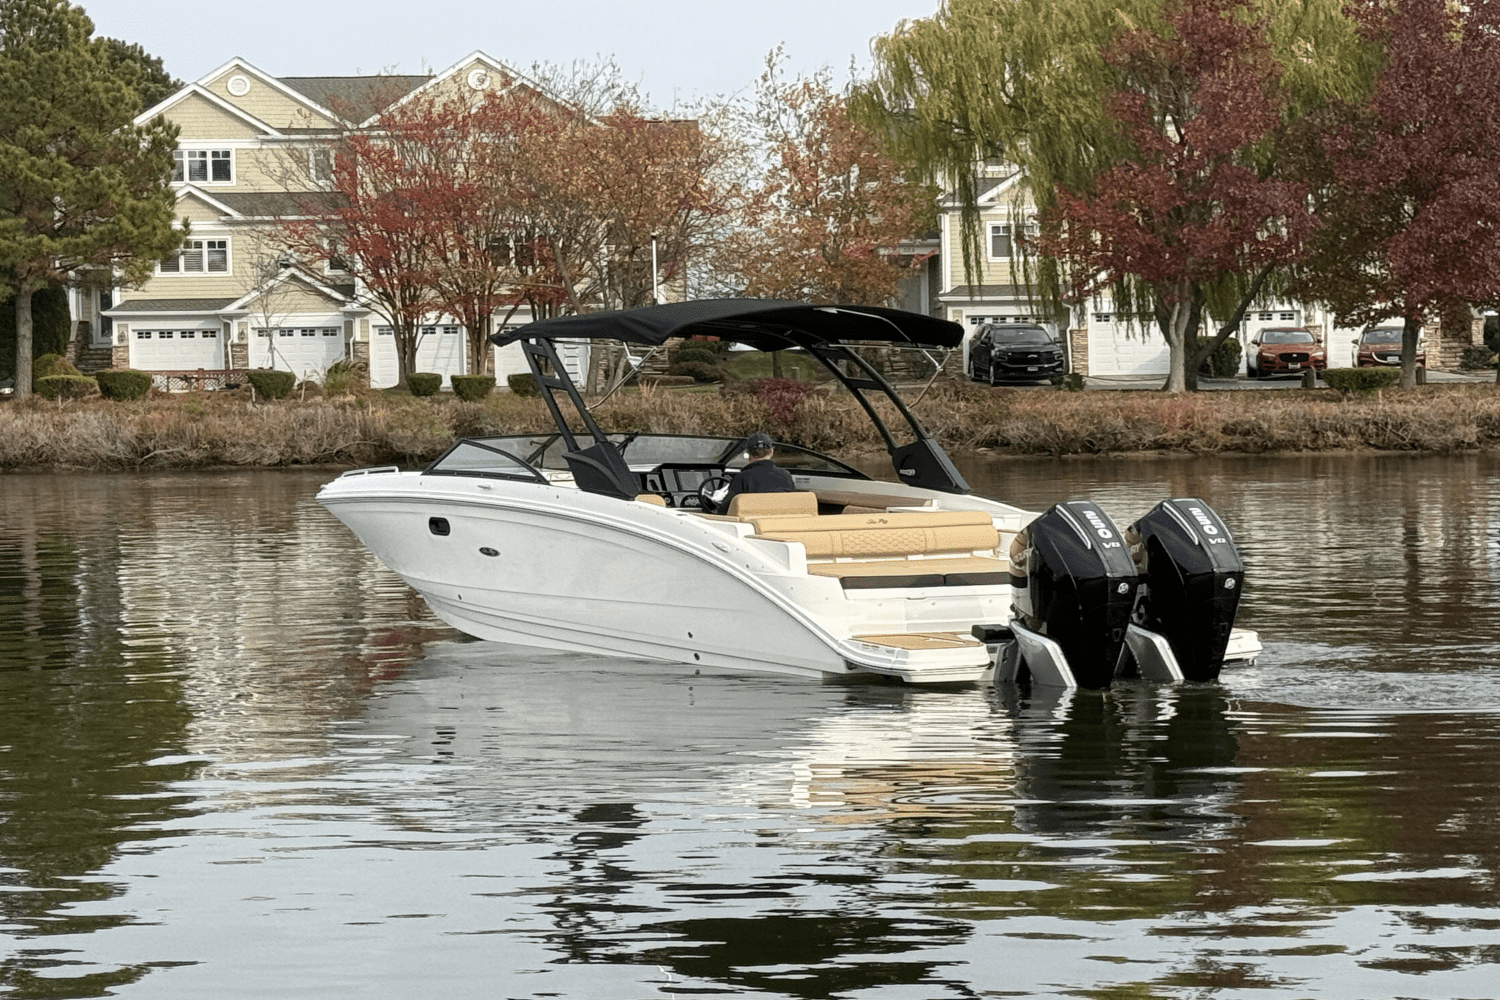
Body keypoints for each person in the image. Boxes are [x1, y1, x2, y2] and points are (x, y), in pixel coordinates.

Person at [718, 432, 794, 510]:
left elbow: (725, 509)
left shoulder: (742, 478)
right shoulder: (786, 476)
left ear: (748, 453)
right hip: (776, 521)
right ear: (771, 451)